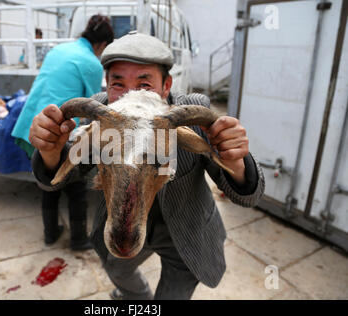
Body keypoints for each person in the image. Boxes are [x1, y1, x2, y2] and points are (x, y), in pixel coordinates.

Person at [28, 32, 266, 299]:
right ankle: (137, 298)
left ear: (166, 86)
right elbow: (60, 177)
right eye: (118, 84)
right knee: (117, 271)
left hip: (185, 233)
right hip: (120, 224)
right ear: (107, 85)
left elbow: (247, 195)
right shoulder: (102, 112)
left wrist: (234, 158)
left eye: (144, 84)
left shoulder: (193, 112)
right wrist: (51, 150)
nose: (130, 95)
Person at [12, 15, 114, 251]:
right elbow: (91, 105)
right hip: (57, 131)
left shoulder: (60, 49)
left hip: (34, 123)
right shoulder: (91, 62)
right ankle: (78, 239)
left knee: (46, 181)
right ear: (103, 44)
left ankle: (50, 233)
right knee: (75, 186)